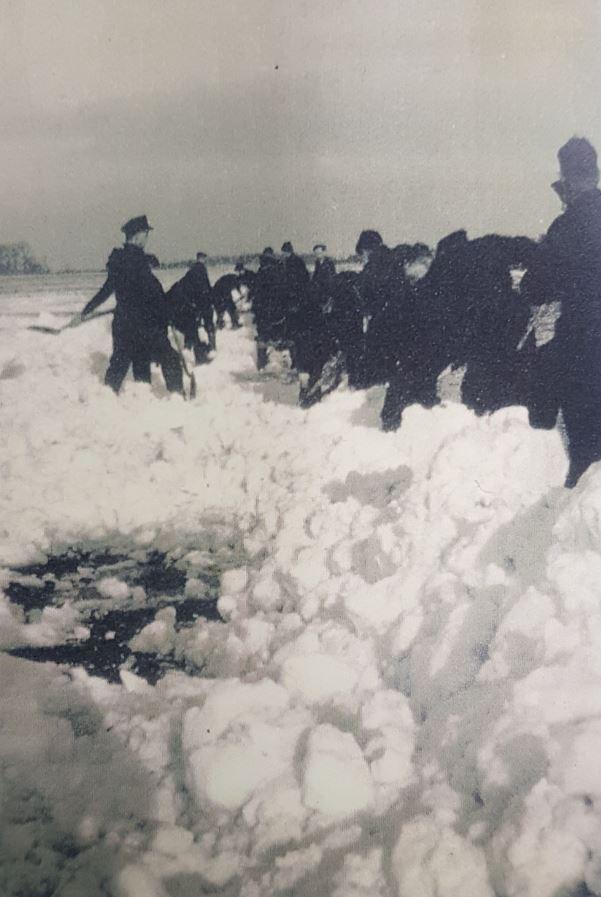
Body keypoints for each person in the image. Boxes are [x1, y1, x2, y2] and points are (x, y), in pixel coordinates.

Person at [521, 136, 601, 487]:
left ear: (566, 178)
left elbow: (534, 288)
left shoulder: (565, 227)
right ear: (596, 172)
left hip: (584, 352)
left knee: (587, 459)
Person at [73, 215, 183, 395]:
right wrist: (167, 312)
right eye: (146, 234)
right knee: (170, 359)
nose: (147, 238)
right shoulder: (139, 262)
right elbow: (153, 295)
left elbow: (106, 290)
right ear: (137, 235)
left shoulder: (119, 260)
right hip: (144, 327)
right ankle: (179, 401)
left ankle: (108, 401)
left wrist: (85, 312)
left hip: (123, 326)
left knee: (121, 367)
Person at [167, 251, 216, 364]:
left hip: (182, 303)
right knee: (196, 327)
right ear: (201, 258)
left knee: (191, 330)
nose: (204, 260)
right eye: (203, 258)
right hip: (188, 304)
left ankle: (189, 352)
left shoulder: (191, 270)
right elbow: (204, 288)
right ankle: (204, 354)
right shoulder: (201, 269)